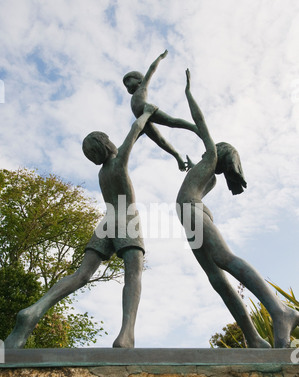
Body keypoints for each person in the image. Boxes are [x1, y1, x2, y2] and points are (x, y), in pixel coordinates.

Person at [5, 103, 158, 349]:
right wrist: (147, 113)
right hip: (126, 217)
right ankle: (126, 335)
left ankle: (33, 311)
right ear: (106, 144)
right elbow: (135, 130)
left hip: (106, 221)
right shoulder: (118, 164)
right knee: (134, 274)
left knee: (81, 275)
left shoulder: (102, 174)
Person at [176, 69, 299, 348]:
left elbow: (200, 121)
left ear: (217, 153)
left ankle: (280, 310)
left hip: (193, 213)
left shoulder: (209, 160)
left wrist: (188, 93)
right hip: (191, 217)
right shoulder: (209, 175)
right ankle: (254, 338)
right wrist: (186, 166)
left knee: (224, 259)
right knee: (216, 278)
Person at [123, 50, 199, 171]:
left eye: (128, 81)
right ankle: (177, 156)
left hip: (149, 110)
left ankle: (194, 127)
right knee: (160, 141)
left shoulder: (142, 88)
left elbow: (151, 69)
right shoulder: (133, 97)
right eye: (125, 85)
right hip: (143, 120)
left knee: (171, 121)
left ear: (139, 81)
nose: (127, 86)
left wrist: (160, 57)